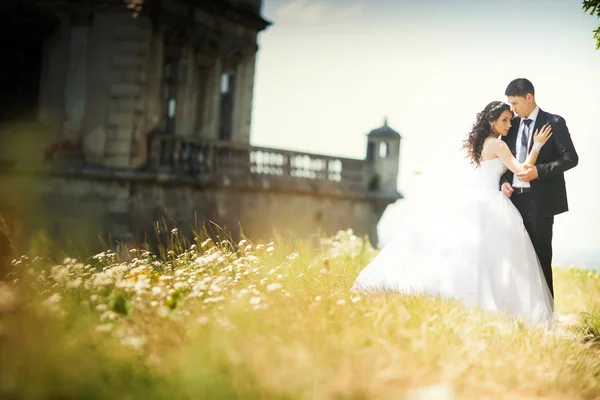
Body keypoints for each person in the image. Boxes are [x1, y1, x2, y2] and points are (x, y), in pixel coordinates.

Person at [352, 101, 554, 325]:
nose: (508, 125)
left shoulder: (478, 144)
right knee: (493, 256)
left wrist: (503, 184)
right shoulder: (498, 145)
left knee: (474, 255)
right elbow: (522, 171)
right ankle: (487, 306)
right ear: (491, 121)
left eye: (509, 120)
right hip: (491, 202)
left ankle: (469, 301)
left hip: (476, 196)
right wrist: (536, 146)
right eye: (504, 120)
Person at [501, 78, 579, 298]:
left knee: (541, 260)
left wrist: (539, 171)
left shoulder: (554, 122)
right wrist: (504, 182)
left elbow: (571, 158)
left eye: (515, 103)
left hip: (541, 204)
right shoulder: (511, 125)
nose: (512, 109)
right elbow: (504, 161)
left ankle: (547, 319)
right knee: (514, 261)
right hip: (512, 202)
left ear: (529, 97)